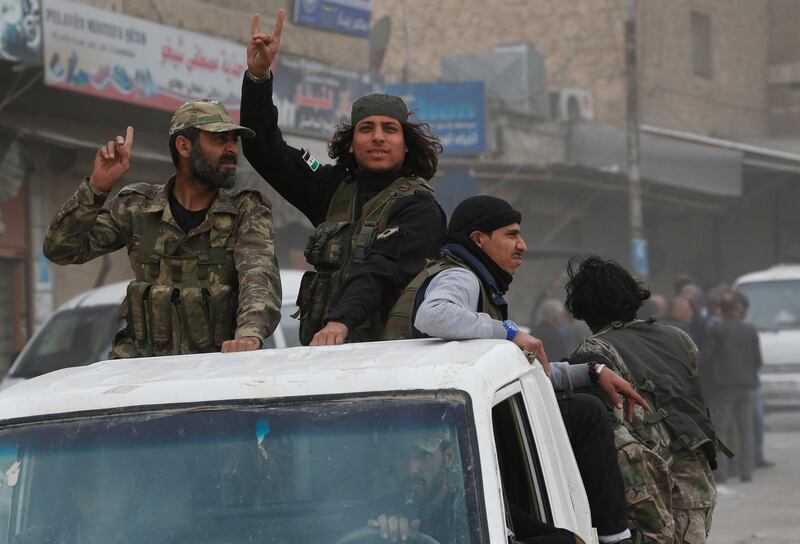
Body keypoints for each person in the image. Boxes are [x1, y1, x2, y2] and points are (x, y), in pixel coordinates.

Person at [383, 196, 648, 544]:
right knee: (586, 414)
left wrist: (592, 372)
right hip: (440, 430)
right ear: (478, 240)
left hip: (452, 422)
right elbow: (434, 315)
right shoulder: (460, 278)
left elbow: (521, 370)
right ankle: (617, 537)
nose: (521, 246)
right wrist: (509, 332)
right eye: (511, 235)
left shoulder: (477, 284)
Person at [241, 10, 446, 346]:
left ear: (406, 146)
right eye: (366, 129)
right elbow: (264, 150)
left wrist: (340, 322)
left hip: (394, 358)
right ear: (350, 144)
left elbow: (381, 270)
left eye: (389, 129)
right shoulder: (332, 190)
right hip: (327, 354)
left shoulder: (418, 206)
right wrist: (258, 78)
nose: (377, 137)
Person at [43, 100, 281, 357]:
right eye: (220, 139)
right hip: (141, 371)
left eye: (235, 141)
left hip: (214, 369)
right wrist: (96, 188)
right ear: (184, 146)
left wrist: (248, 335)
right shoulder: (137, 208)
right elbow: (61, 249)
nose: (232, 149)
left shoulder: (245, 211)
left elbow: (258, 276)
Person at [564, 257, 724, 544]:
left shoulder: (594, 351)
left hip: (645, 495)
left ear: (584, 307)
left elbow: (600, 437)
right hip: (696, 484)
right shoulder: (679, 338)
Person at [369, 428, 582, 544]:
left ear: (449, 456)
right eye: (401, 457)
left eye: (423, 455)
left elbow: (573, 541)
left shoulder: (476, 508)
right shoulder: (377, 514)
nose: (411, 467)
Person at [703, 290, 761, 483]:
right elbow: (757, 360)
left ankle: (721, 473)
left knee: (721, 429)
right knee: (747, 428)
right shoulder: (750, 330)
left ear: (721, 311)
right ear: (737, 309)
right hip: (746, 385)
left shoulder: (717, 330)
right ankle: (747, 472)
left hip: (723, 387)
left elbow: (707, 359)